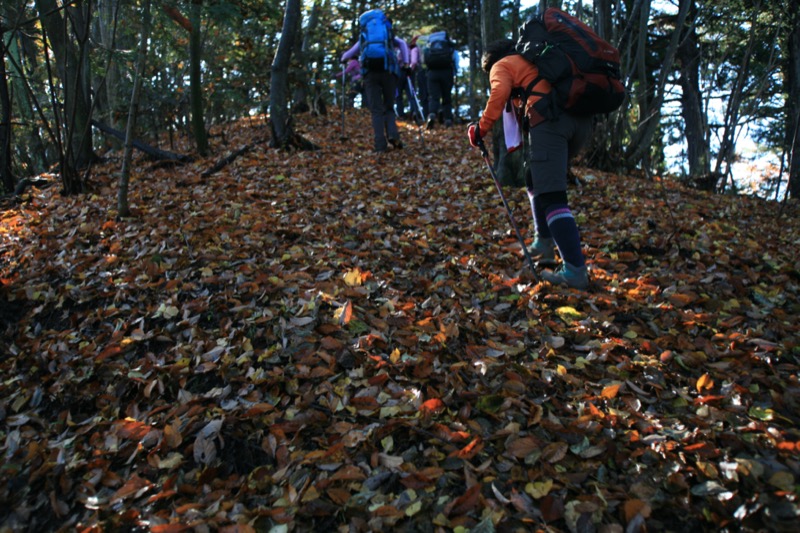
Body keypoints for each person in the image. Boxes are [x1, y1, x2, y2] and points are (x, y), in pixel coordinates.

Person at [467, 39, 593, 289]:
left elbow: (498, 94)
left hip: (550, 120)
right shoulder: (533, 61)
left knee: (552, 196)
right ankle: (543, 243)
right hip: (580, 122)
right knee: (534, 179)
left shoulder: (501, 64)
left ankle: (575, 271)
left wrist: (480, 129)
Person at [341, 14, 410, 153]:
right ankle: (393, 135)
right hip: (389, 72)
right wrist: (406, 63)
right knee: (389, 107)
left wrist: (343, 59)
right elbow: (402, 44)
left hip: (370, 74)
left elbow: (348, 54)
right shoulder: (387, 34)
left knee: (376, 110)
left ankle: (380, 145)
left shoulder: (364, 36)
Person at [423, 31, 458, 129]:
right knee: (447, 98)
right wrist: (454, 73)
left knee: (434, 97)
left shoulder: (429, 47)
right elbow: (455, 60)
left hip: (432, 73)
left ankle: (432, 115)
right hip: (447, 73)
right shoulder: (449, 46)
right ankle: (448, 120)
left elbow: (424, 60)